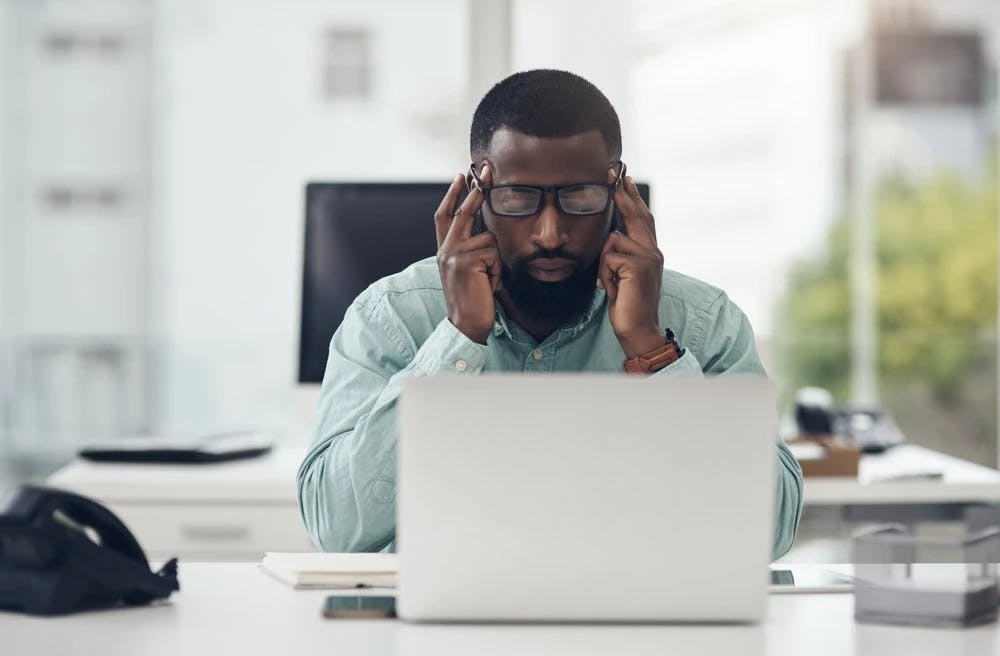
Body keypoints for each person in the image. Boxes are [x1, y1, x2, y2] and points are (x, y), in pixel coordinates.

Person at [297, 69, 802, 559]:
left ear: (620, 192)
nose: (550, 234)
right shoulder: (392, 317)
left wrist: (652, 350)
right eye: (517, 198)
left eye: (579, 197)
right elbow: (335, 529)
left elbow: (769, 534)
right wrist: (458, 339)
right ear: (475, 197)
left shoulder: (702, 321)